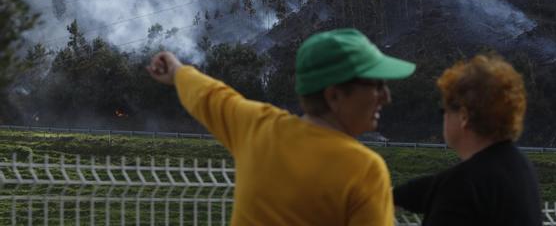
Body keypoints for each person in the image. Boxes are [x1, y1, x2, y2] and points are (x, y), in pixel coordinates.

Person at [146, 28, 416, 226]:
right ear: (334, 96)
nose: (386, 96)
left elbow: (211, 97)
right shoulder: (364, 169)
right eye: (376, 85)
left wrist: (179, 72)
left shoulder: (259, 127)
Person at [393, 54, 542, 226]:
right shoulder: (518, 167)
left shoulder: (463, 185)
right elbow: (434, 186)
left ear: (464, 117)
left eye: (444, 110)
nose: (444, 118)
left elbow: (456, 185)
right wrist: (393, 195)